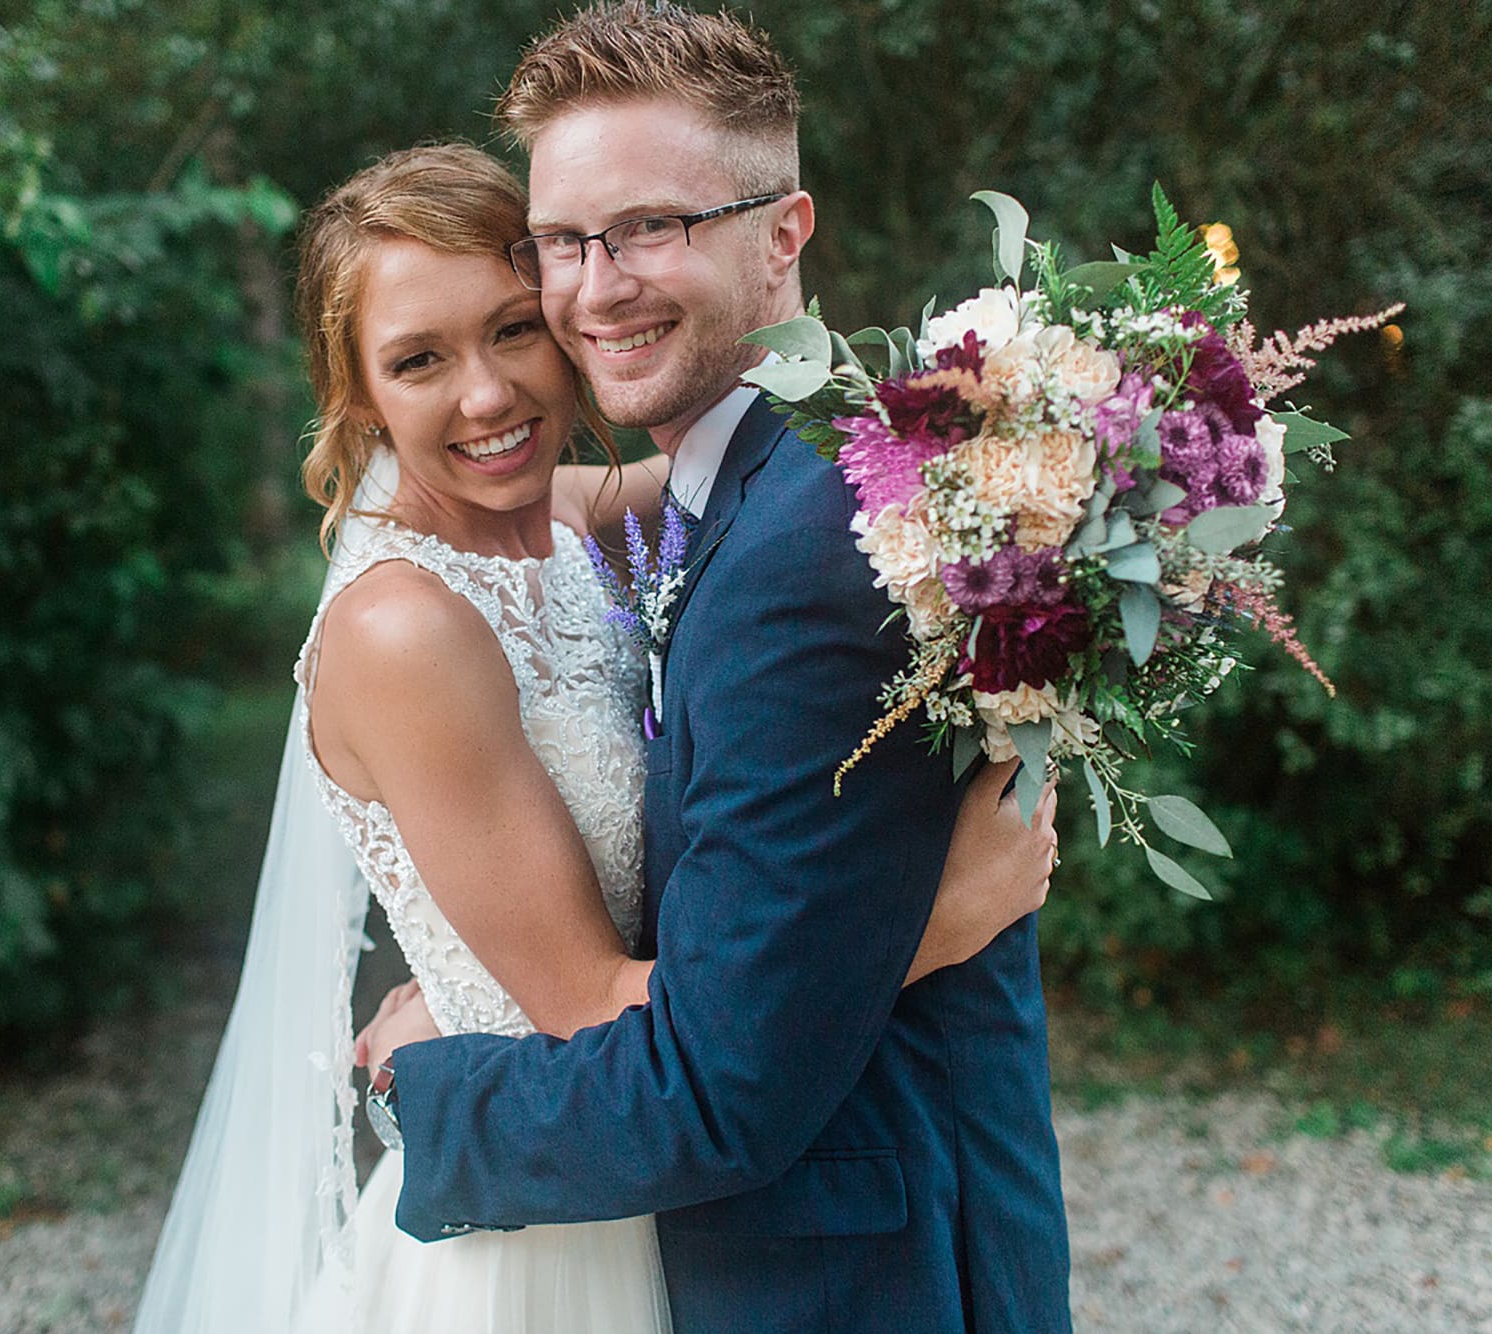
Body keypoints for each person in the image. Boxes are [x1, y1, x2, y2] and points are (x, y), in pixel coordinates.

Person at [133, 137, 1057, 1332]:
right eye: (418, 360)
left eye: (512, 328)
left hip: (661, 1193)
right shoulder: (404, 627)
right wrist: (933, 921)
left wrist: (1028, 451)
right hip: (548, 1238)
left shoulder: (555, 518)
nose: (487, 394)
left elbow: (772, 489)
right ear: (356, 396)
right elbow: (594, 1007)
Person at [362, 6, 1073, 1333]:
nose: (594, 286)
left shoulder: (806, 545)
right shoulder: (761, 482)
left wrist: (427, 1086)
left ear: (783, 233)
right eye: (563, 242)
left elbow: (722, 1081)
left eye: (650, 227)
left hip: (859, 1279)